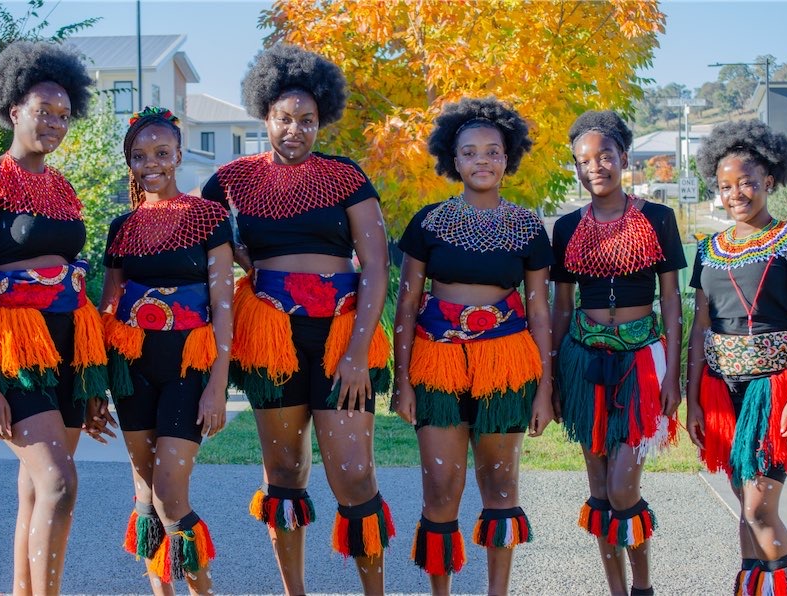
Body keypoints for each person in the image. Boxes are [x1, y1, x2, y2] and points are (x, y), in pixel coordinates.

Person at [200, 44, 394, 595]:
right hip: (270, 338)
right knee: (284, 476)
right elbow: (202, 238)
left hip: (340, 338)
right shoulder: (232, 179)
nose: (295, 130)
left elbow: (377, 266)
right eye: (285, 119)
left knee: (354, 476)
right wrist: (241, 260)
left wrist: (358, 353)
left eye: (307, 120)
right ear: (265, 116)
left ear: (321, 122)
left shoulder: (346, 177)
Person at [0, 41, 109, 594]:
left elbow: (77, 279)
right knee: (59, 482)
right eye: (44, 111)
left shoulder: (64, 188)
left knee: (35, 490)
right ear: (14, 109)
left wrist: (92, 378)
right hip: (13, 347)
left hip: (69, 346)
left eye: (65, 115)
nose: (55, 124)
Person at [392, 97, 555, 595]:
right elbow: (406, 304)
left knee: (501, 487)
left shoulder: (529, 227)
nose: (482, 160)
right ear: (453, 161)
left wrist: (544, 390)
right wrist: (402, 381)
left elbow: (540, 311)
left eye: (493, 151)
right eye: (470, 152)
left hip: (506, 365)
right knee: (441, 490)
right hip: (436, 364)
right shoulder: (427, 223)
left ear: (508, 158)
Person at [549, 110, 685, 596]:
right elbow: (561, 306)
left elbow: (671, 297)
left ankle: (643, 588)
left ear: (623, 157)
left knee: (624, 486)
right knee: (600, 490)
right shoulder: (565, 228)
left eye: (605, 155)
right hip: (582, 361)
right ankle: (617, 591)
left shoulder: (657, 219)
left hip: (642, 362)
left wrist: (673, 374)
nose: (595, 167)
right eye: (584, 160)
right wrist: (553, 376)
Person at [99, 106, 232, 594]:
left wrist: (217, 386)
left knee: (170, 493)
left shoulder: (208, 218)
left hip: (187, 367)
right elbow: (108, 307)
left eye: (160, 152)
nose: (150, 162)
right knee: (144, 493)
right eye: (139, 155)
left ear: (178, 154)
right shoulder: (122, 227)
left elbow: (223, 305)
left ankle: (203, 590)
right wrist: (97, 383)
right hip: (130, 369)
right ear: (130, 163)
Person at [686, 120, 787, 596]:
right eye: (725, 186)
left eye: (746, 181)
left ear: (769, 179)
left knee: (759, 509)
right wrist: (692, 400)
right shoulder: (708, 251)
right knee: (742, 502)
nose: (736, 193)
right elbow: (700, 327)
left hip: (776, 389)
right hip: (720, 391)